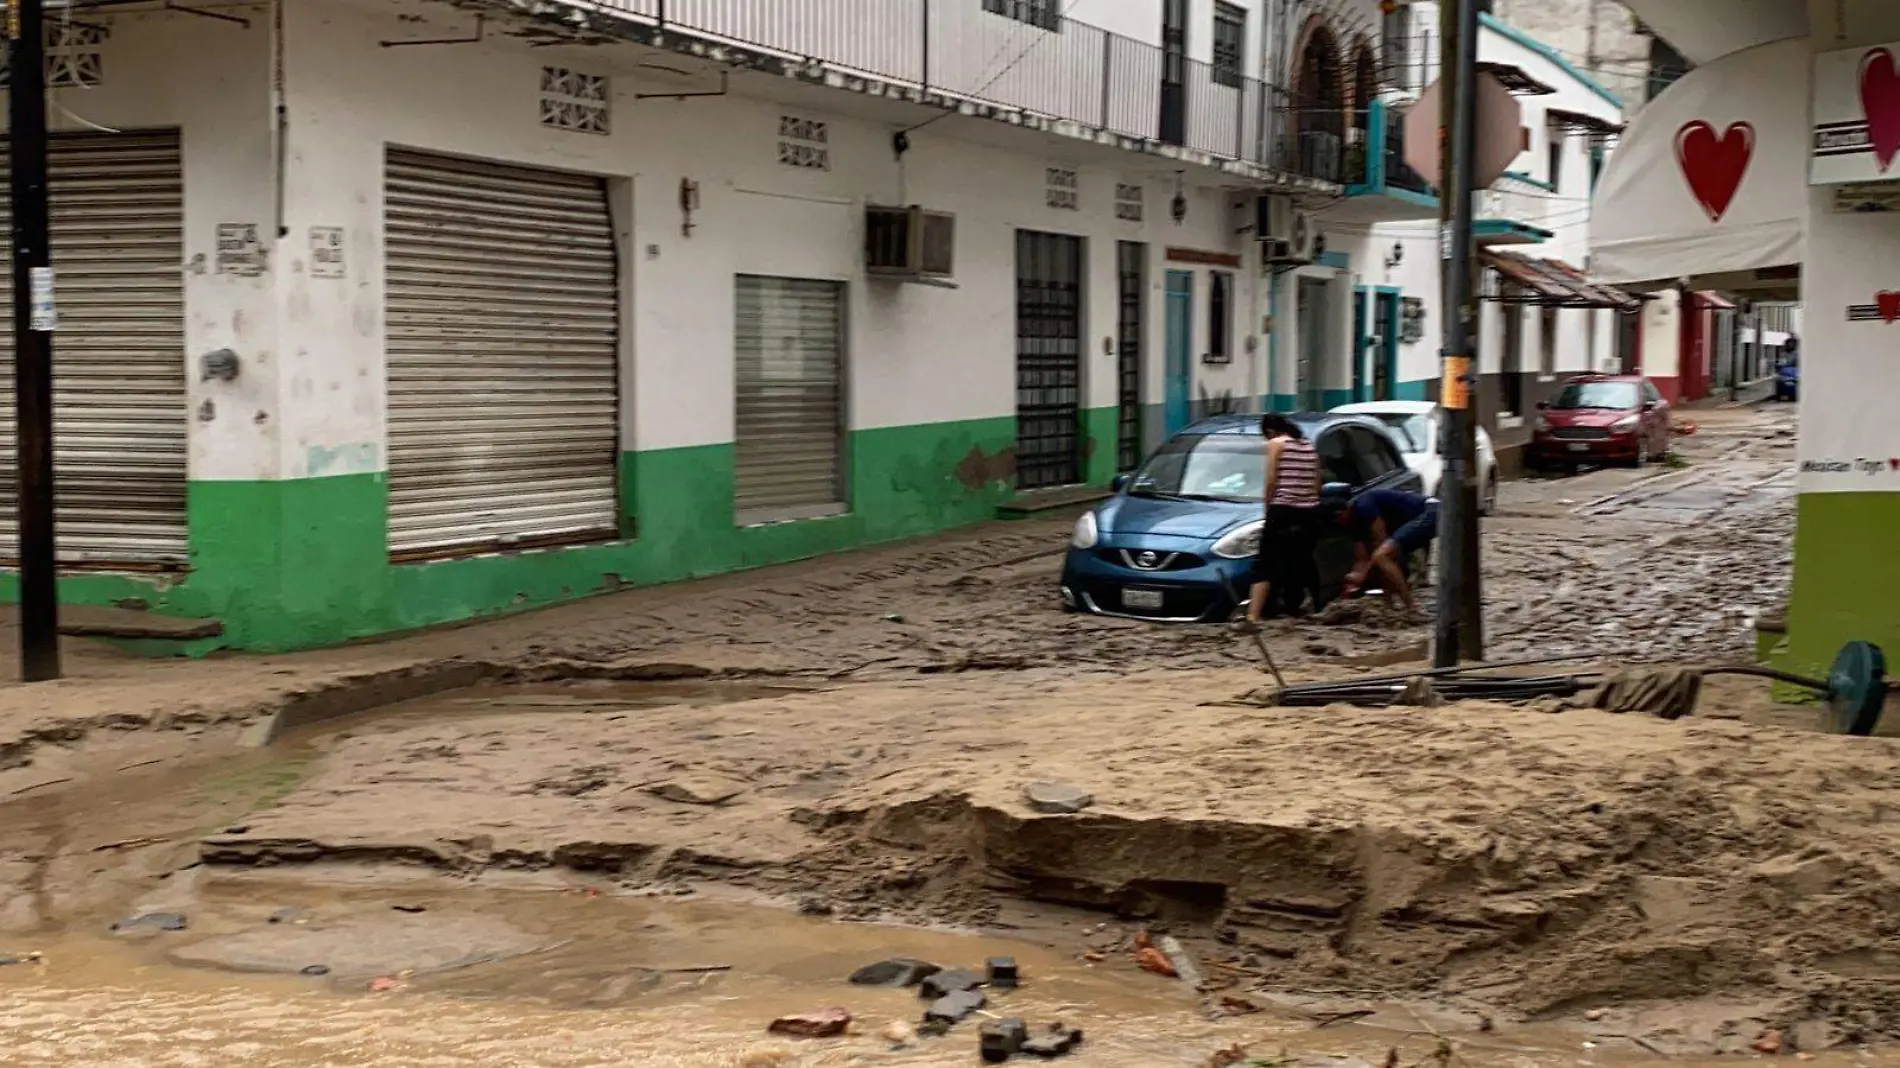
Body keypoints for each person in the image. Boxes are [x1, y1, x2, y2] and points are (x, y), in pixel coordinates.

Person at [1234, 414, 1321, 633]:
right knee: (1298, 563)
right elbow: (1317, 483)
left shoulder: (1276, 444)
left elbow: (1271, 479)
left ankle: (1253, 617)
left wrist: (1268, 510)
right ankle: (1298, 612)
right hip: (1309, 513)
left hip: (1283, 510)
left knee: (1264, 564)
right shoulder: (1309, 447)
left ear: (1270, 432)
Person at [1340, 487, 1438, 615]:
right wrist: (1357, 576)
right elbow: (1362, 558)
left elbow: (1382, 542)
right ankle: (1389, 606)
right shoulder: (1353, 523)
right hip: (1414, 519)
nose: (1337, 521)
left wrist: (1363, 575)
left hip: (1431, 511)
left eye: (1337, 516)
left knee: (1382, 556)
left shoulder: (1364, 506)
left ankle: (1410, 607)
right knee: (1383, 558)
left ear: (1345, 508)